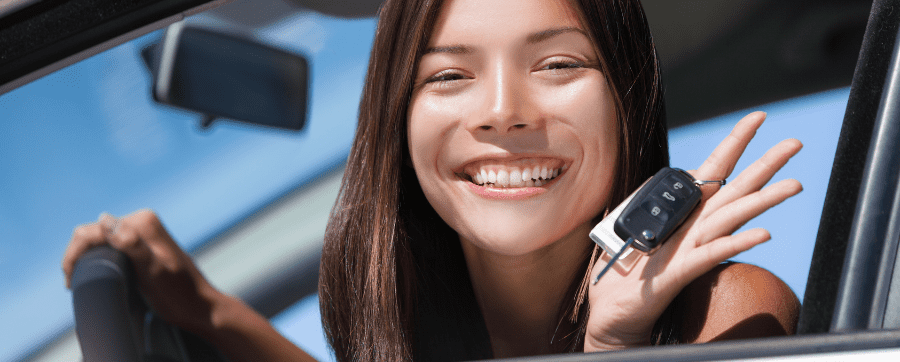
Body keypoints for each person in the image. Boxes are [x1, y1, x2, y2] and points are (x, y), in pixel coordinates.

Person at [63, 0, 803, 361]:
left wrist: (613, 343)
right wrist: (209, 310)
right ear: (398, 122)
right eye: (448, 75)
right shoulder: (415, 313)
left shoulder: (731, 313)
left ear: (628, 102)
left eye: (558, 65)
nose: (503, 111)